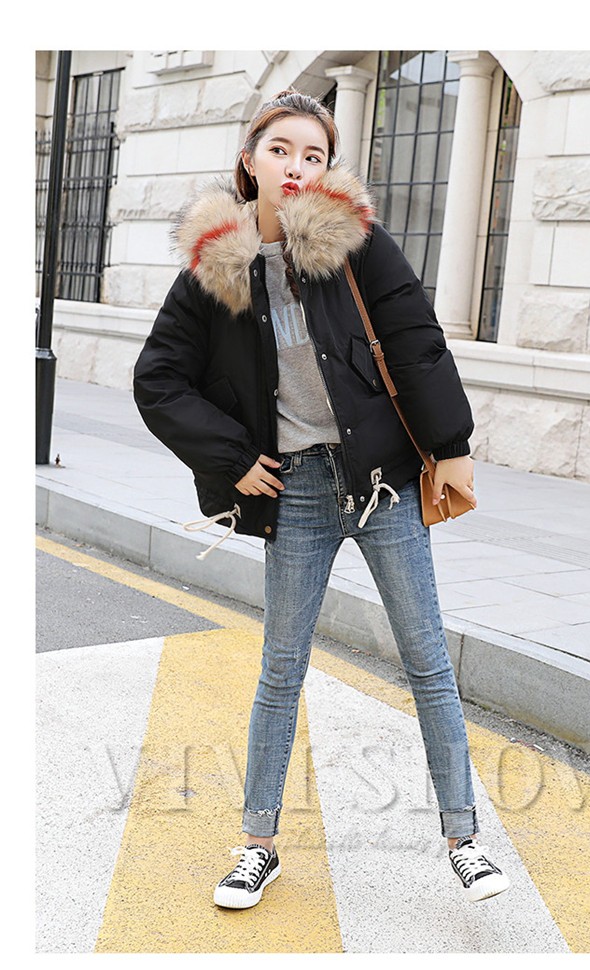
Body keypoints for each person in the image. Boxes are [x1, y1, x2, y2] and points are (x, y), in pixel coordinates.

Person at [133, 88, 510, 909]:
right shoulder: (214, 269)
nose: (297, 167)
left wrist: (451, 444)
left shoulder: (354, 242)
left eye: (313, 154)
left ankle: (465, 840)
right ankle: (257, 845)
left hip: (382, 485)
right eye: (281, 151)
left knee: (427, 660)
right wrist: (233, 458)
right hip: (296, 492)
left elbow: (415, 339)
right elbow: (157, 380)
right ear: (250, 161)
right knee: (281, 669)